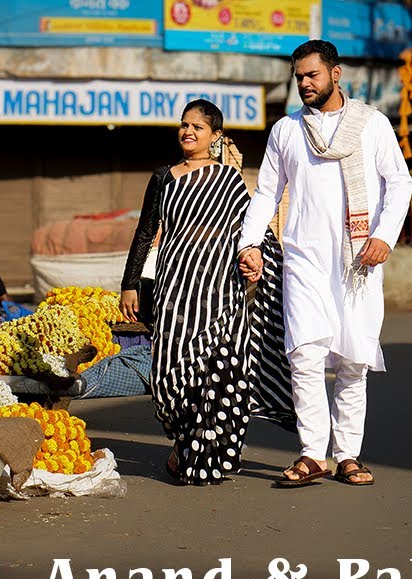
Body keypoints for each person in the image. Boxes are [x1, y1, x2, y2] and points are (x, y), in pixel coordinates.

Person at [238, 40, 412, 488]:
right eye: (299, 77)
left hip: (359, 261)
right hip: (304, 258)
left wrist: (384, 237)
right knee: (305, 355)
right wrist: (250, 243)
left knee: (353, 360)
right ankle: (313, 453)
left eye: (312, 75)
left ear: (336, 74)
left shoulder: (372, 124)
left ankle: (348, 454)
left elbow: (399, 183)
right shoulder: (286, 131)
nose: (304, 84)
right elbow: (266, 193)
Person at [120, 99, 294, 486]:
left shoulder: (229, 180)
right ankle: (182, 441)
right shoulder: (164, 176)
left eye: (198, 127)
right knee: (167, 375)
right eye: (184, 125)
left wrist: (261, 262)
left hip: (220, 291)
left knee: (218, 376)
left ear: (215, 136)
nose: (188, 132)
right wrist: (130, 283)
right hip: (175, 287)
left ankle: (204, 459)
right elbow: (146, 231)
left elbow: (253, 230)